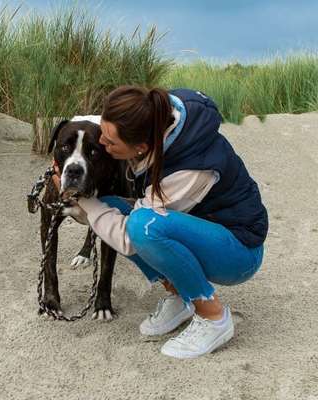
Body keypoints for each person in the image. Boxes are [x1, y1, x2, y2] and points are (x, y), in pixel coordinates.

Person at [55, 86, 268, 360]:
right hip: (203, 230)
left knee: (143, 227)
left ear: (140, 148)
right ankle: (181, 296)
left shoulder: (190, 171)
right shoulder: (151, 116)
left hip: (238, 251)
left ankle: (213, 318)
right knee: (114, 207)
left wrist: (84, 202)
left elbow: (130, 241)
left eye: (109, 143)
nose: (104, 146)